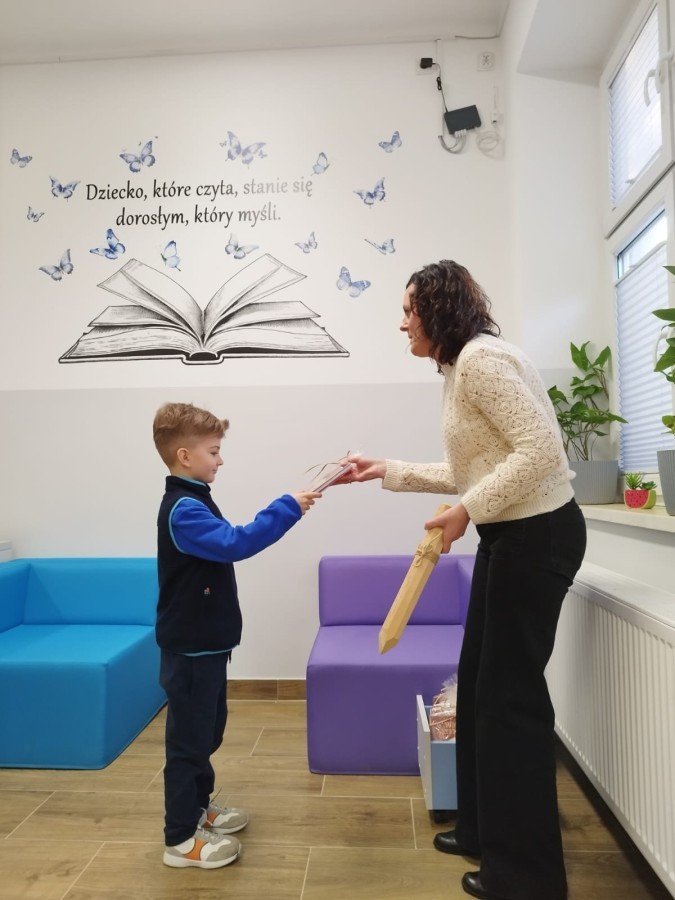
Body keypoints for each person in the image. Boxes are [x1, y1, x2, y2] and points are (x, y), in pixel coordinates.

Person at [341, 260, 586, 900]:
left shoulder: (481, 361)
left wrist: (466, 511)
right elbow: (477, 469)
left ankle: (527, 878)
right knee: (478, 686)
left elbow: (541, 453)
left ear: (438, 310)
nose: (402, 324)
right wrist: (388, 469)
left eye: (409, 311)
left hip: (538, 536)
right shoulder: (460, 369)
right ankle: (481, 831)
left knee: (510, 703)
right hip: (511, 536)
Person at [152, 401, 320, 869]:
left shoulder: (194, 497)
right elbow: (236, 543)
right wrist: (287, 508)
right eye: (213, 451)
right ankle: (180, 839)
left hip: (206, 645)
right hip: (189, 649)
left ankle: (198, 808)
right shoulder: (183, 509)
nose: (220, 460)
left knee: (207, 732)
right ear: (185, 456)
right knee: (188, 743)